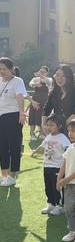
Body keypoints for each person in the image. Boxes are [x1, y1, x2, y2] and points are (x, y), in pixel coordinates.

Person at [31, 114, 71, 215]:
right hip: (47, 166)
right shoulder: (48, 137)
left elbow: (69, 150)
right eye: (47, 125)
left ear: (60, 126)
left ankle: (60, 206)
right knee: (48, 185)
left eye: (51, 125)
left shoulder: (63, 137)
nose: (48, 127)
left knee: (57, 186)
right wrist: (35, 151)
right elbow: (42, 146)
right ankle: (51, 204)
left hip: (58, 167)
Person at [0, 57, 27, 187]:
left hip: (13, 116)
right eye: (0, 69)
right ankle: (4, 174)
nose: (2, 71)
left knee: (14, 146)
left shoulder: (17, 81)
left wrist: (22, 112)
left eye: (4, 69)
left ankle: (13, 175)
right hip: (1, 117)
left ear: (11, 69)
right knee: (2, 146)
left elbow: (20, 96)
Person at [28, 66, 52, 140]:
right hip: (35, 99)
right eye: (40, 71)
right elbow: (30, 84)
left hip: (45, 100)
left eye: (43, 72)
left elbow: (49, 82)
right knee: (33, 115)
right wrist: (35, 84)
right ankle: (32, 134)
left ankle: (42, 133)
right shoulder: (35, 79)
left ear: (47, 73)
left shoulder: (49, 79)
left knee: (42, 116)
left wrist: (41, 76)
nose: (41, 73)